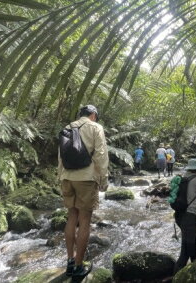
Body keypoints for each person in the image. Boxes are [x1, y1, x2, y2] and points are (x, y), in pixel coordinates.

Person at [58, 105, 109, 278]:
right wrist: (103, 178)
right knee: (85, 220)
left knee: (72, 215)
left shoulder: (67, 127)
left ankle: (70, 261)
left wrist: (61, 176)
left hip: (67, 177)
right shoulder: (96, 127)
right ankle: (79, 266)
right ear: (93, 115)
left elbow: (61, 155)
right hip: (86, 178)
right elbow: (101, 154)